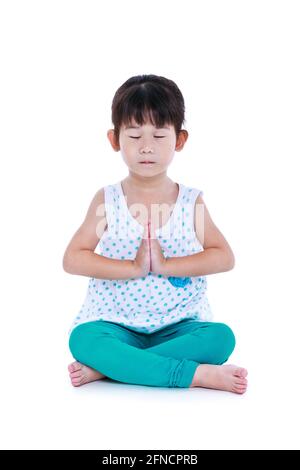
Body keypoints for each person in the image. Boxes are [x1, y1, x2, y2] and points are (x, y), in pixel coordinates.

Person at [63, 74, 248, 394]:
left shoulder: (191, 201)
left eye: (159, 136)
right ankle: (195, 375)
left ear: (179, 140)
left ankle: (111, 368)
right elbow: (73, 259)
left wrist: (165, 265)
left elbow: (223, 256)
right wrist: (132, 268)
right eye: (134, 135)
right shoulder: (107, 199)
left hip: (178, 327)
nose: (146, 147)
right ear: (114, 140)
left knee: (221, 338)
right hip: (115, 325)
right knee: (83, 340)